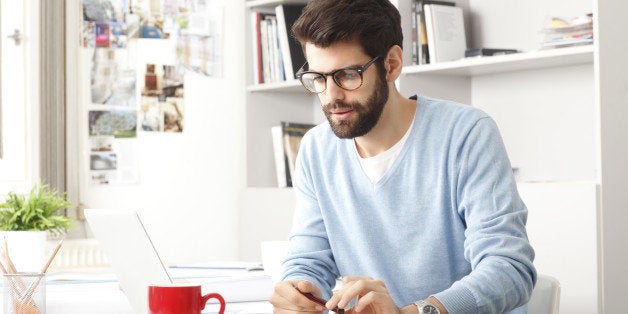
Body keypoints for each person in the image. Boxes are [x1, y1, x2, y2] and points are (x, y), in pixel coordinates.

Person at [268, 0, 536, 313]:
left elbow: (508, 269)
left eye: (348, 75)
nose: (331, 96)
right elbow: (309, 258)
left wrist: (416, 311)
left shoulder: (466, 133)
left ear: (392, 64)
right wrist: (300, 288)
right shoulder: (316, 149)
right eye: (319, 77)